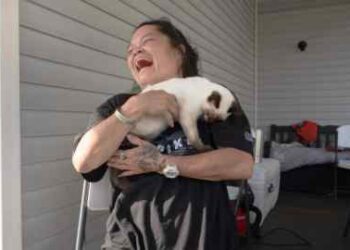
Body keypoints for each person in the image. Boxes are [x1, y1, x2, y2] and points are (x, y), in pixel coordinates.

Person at [72, 19, 254, 250]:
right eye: (130, 50)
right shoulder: (118, 106)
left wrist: (161, 162)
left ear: (179, 53)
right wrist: (133, 109)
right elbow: (84, 162)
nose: (135, 50)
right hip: (129, 240)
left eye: (146, 41)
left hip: (201, 239)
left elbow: (241, 165)